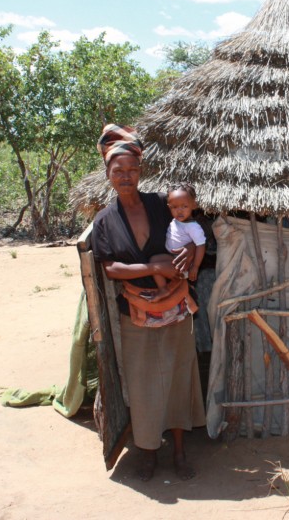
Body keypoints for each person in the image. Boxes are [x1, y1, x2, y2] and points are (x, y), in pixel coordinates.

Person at [90, 124, 206, 482]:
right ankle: (148, 453)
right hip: (137, 312)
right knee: (142, 385)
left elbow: (192, 232)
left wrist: (188, 250)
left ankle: (180, 451)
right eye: (118, 170)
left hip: (174, 309)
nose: (125, 176)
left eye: (132, 170)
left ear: (141, 172)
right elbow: (111, 268)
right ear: (108, 174)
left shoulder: (161, 205)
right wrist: (153, 266)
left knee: (178, 378)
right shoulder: (105, 220)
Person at [145, 183, 206, 303]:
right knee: (153, 260)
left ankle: (165, 289)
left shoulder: (193, 227)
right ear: (169, 207)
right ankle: (170, 287)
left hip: (182, 262)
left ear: (194, 205)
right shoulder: (177, 221)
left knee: (154, 264)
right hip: (172, 257)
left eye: (184, 206)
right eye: (175, 207)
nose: (179, 211)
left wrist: (195, 267)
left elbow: (201, 245)